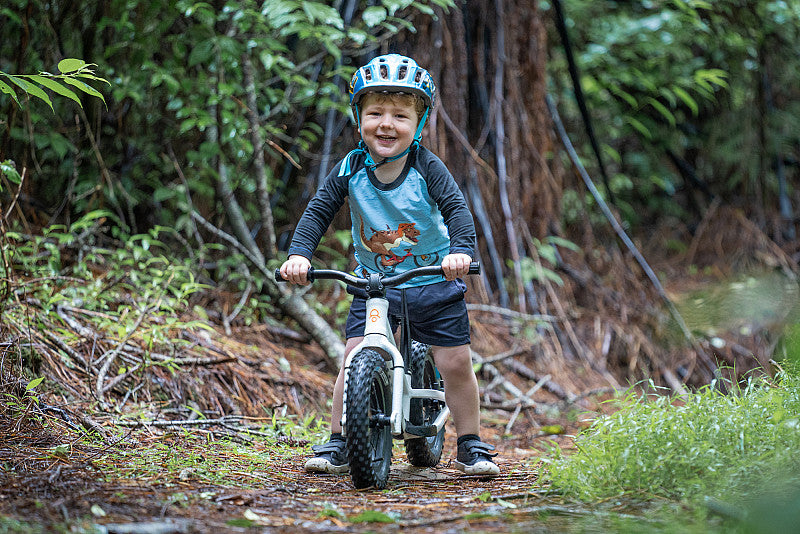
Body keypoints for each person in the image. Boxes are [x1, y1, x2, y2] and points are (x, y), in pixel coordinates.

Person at [279, 54, 498, 477]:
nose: (386, 124)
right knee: (354, 357)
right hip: (375, 284)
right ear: (358, 117)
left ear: (418, 124)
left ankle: (470, 442)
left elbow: (456, 209)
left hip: (432, 278)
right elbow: (318, 211)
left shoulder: (426, 167)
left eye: (400, 115)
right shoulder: (351, 168)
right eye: (375, 112)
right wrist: (299, 254)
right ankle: (340, 440)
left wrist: (461, 252)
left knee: (454, 362)